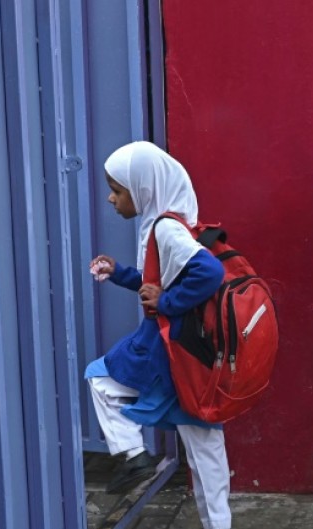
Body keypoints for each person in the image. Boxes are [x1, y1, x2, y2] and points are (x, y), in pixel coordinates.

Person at [85, 142, 232, 529]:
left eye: (118, 189)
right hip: (184, 350)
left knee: (100, 378)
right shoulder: (166, 221)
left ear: (144, 187)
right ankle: (219, 523)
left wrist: (167, 302)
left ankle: (134, 454)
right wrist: (120, 273)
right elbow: (156, 281)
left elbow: (209, 274)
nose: (111, 198)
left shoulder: (166, 229)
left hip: (167, 346)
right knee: (205, 447)